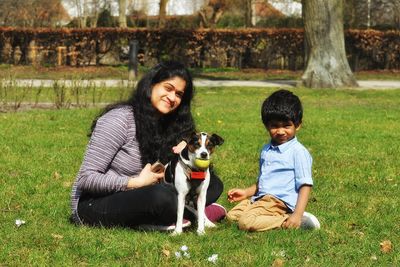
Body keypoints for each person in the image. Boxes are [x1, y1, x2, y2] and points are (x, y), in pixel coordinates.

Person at [70, 61, 226, 230]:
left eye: (179, 94)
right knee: (162, 197)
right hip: (96, 203)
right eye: (168, 88)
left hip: (147, 195)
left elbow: (178, 174)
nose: (173, 98)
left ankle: (177, 215)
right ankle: (194, 213)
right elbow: (86, 179)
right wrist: (135, 182)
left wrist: (186, 157)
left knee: (213, 183)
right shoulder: (119, 120)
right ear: (151, 85)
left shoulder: (174, 125)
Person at [226, 89, 320, 231]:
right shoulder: (267, 149)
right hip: (261, 199)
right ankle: (265, 215)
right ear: (266, 126)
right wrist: (246, 192)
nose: (280, 131)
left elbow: (305, 185)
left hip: (279, 203)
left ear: (298, 125)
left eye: (286, 125)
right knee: (231, 216)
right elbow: (264, 180)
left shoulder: (298, 152)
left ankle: (293, 222)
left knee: (245, 223)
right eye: (274, 126)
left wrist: (297, 214)